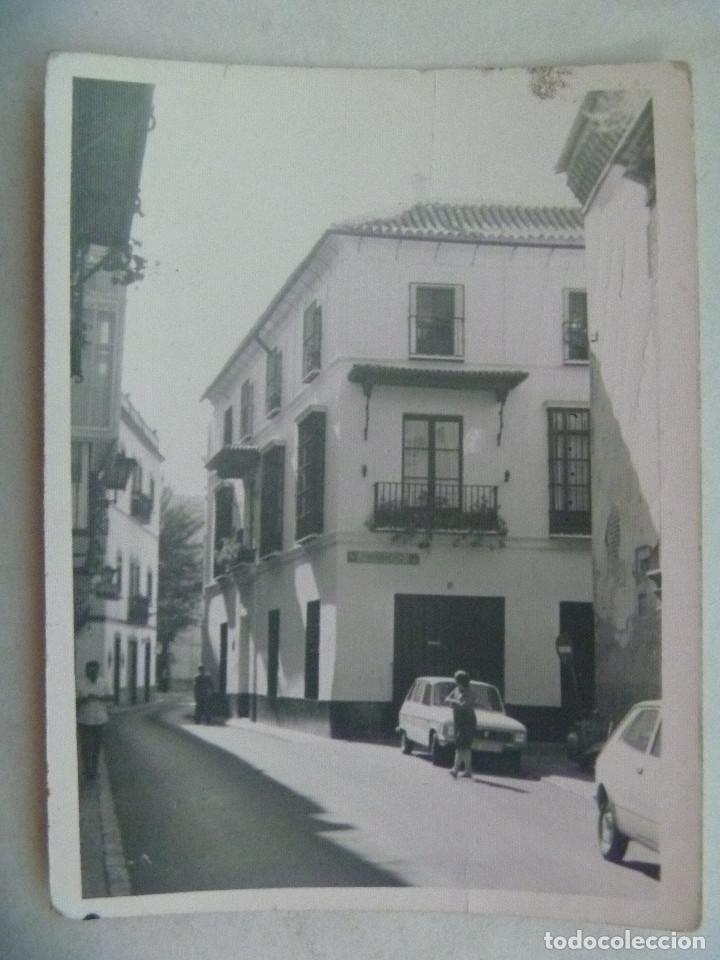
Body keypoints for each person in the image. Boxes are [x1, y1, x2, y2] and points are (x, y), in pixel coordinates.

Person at [76, 660, 112, 782]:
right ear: (86, 671)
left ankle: (94, 771)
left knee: (97, 747)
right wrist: (84, 699)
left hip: (100, 720)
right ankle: (87, 771)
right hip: (84, 720)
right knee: (85, 747)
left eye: (94, 670)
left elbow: (111, 697)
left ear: (97, 670)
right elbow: (74, 701)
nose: (91, 673)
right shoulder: (80, 683)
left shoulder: (104, 683)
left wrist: (99, 697)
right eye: (89, 670)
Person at [445, 669, 477, 779]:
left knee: (463, 746)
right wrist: (454, 702)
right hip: (458, 721)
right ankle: (467, 770)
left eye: (457, 681)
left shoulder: (470, 692)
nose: (456, 683)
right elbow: (447, 699)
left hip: (467, 722)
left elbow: (464, 706)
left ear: (461, 681)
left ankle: (456, 769)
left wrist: (453, 702)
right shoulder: (457, 690)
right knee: (461, 746)